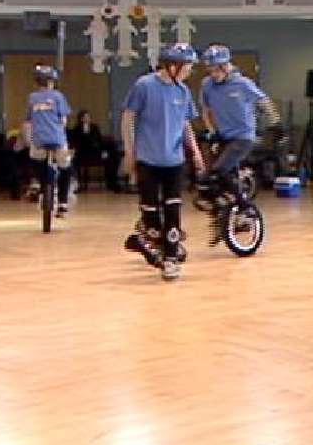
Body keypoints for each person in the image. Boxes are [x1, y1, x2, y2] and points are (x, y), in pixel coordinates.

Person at [119, 43, 205, 280]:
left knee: (173, 210)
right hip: (148, 159)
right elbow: (128, 117)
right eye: (187, 66)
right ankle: (146, 237)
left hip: (174, 161)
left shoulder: (183, 92)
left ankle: (170, 258)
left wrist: (195, 152)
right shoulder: (144, 85)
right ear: (173, 66)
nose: (190, 70)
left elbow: (186, 124)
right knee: (151, 212)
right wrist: (129, 151)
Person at [198, 44, 280, 241]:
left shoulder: (242, 83)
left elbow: (264, 102)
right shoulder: (207, 85)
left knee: (219, 171)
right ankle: (227, 219)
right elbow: (206, 111)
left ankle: (244, 207)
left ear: (226, 66)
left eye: (217, 69)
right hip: (224, 137)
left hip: (243, 137)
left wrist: (276, 124)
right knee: (208, 183)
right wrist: (212, 132)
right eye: (210, 69)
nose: (213, 74)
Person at [23, 65, 74, 218]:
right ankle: (63, 203)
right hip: (57, 139)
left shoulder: (32, 98)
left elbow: (28, 121)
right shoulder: (58, 96)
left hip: (39, 140)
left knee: (35, 160)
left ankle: (40, 185)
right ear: (52, 81)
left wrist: (28, 139)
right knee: (66, 168)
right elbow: (63, 120)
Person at [69, 110, 122, 193]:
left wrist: (104, 151)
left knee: (113, 157)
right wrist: (85, 133)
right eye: (85, 117)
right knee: (75, 160)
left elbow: (99, 140)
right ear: (81, 119)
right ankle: (77, 185)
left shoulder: (94, 127)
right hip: (84, 153)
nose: (87, 119)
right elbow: (77, 143)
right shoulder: (77, 129)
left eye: (88, 117)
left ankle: (113, 183)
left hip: (96, 152)